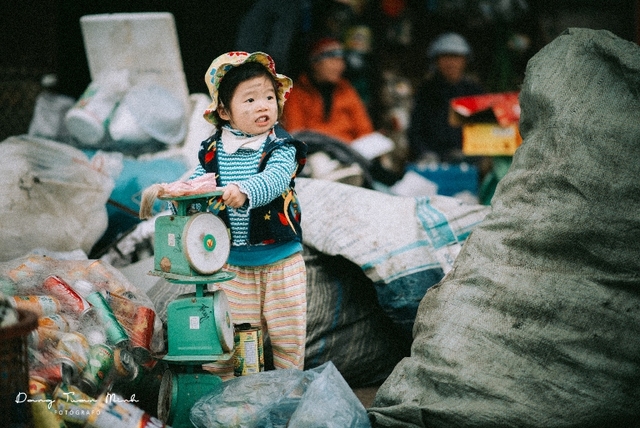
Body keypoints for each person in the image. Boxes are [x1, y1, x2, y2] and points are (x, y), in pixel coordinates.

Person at [190, 51, 307, 379]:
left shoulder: (281, 147)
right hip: (233, 264)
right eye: (251, 99)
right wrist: (178, 194)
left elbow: (274, 180)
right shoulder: (213, 150)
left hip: (282, 261)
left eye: (269, 97)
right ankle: (232, 403)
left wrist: (245, 192)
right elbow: (198, 181)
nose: (263, 106)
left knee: (287, 340)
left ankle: (288, 394)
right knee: (234, 339)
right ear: (224, 111)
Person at [407, 32, 484, 163]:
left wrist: (473, 156)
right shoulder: (426, 91)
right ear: (436, 61)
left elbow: (484, 131)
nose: (451, 63)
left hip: (467, 161)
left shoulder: (474, 91)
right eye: (445, 57)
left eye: (456, 57)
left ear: (465, 61)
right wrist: (425, 153)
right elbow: (415, 132)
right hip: (433, 160)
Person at [280, 37, 374, 144]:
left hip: (349, 151)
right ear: (315, 63)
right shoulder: (296, 94)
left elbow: (364, 130)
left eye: (341, 61)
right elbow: (295, 133)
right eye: (333, 60)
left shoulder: (346, 90)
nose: (339, 66)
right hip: (313, 153)